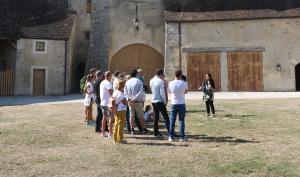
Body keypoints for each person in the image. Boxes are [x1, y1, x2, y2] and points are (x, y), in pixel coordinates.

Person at [125, 69, 149, 134]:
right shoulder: (139, 81)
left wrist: (129, 98)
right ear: (136, 74)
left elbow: (125, 92)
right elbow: (140, 91)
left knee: (131, 116)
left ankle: (132, 129)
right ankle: (144, 128)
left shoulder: (127, 82)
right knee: (140, 116)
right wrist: (134, 98)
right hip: (137, 101)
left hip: (130, 101)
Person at [168, 70, 188, 142]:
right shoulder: (184, 83)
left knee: (172, 120)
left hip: (174, 103)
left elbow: (170, 91)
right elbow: (186, 91)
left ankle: (171, 136)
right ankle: (182, 137)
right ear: (181, 75)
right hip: (181, 103)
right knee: (181, 120)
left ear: (175, 75)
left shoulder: (171, 83)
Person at [149, 69, 170, 137]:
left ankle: (156, 132)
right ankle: (170, 131)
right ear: (161, 74)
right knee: (166, 117)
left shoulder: (151, 80)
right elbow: (162, 93)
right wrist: (164, 101)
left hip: (153, 100)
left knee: (156, 117)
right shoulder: (160, 81)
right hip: (159, 101)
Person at [100, 71, 114, 138]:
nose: (111, 77)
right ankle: (110, 133)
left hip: (103, 102)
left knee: (104, 117)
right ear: (109, 76)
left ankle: (102, 132)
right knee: (111, 118)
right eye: (111, 76)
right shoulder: (108, 83)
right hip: (108, 103)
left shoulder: (102, 82)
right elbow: (111, 93)